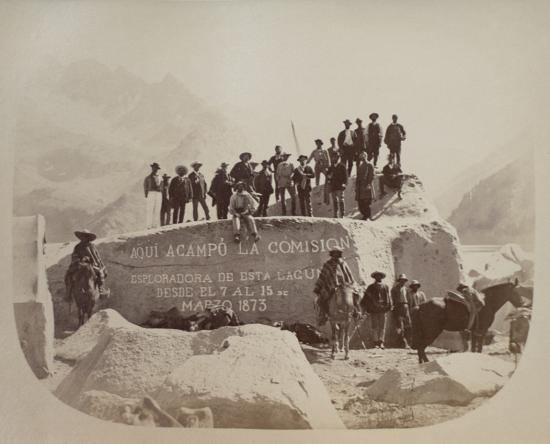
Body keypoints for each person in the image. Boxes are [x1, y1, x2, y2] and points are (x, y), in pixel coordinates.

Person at [313, 247, 357, 326]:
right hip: (331, 287)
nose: (335, 255)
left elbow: (349, 275)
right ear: (332, 254)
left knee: (356, 296)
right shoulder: (328, 264)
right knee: (320, 300)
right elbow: (323, 276)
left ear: (339, 254)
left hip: (345, 286)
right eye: (334, 253)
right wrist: (318, 287)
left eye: (337, 253)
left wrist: (351, 284)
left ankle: (356, 312)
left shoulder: (343, 263)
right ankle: (325, 315)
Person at [64, 230, 107, 301]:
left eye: (86, 236)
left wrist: (100, 265)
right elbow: (74, 256)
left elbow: (97, 257)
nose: (84, 238)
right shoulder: (77, 247)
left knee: (100, 273)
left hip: (91, 265)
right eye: (83, 236)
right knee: (68, 275)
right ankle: (68, 293)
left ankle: (101, 290)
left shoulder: (92, 246)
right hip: (79, 265)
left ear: (88, 237)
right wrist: (80, 260)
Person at [361, 271, 392, 349]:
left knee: (382, 326)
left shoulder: (385, 286)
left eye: (380, 276)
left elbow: (388, 297)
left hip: (382, 309)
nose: (378, 278)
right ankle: (375, 342)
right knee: (374, 326)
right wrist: (368, 307)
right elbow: (366, 298)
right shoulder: (370, 287)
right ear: (374, 278)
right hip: (374, 309)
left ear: (382, 277)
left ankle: (381, 342)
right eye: (377, 276)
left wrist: (389, 306)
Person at [391, 273, 412, 348]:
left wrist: (408, 307)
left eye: (404, 280)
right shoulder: (394, 289)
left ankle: (408, 341)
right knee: (400, 326)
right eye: (401, 280)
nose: (402, 282)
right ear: (399, 281)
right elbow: (393, 299)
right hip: (398, 306)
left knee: (408, 324)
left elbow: (409, 299)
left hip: (405, 306)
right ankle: (402, 342)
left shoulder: (406, 289)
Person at [355, 152, 375, 221]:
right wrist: (356, 186)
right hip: (360, 187)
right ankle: (364, 215)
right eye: (361, 156)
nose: (362, 157)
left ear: (366, 156)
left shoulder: (369, 165)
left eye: (363, 155)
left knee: (366, 202)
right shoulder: (360, 165)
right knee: (360, 203)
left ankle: (367, 216)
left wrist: (368, 184)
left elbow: (371, 175)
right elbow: (358, 177)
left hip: (366, 186)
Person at [327, 153, 348, 218]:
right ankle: (335, 215)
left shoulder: (342, 166)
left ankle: (342, 215)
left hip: (340, 186)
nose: (335, 158)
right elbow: (328, 176)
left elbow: (346, 177)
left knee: (341, 200)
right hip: (333, 186)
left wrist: (344, 184)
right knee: (334, 201)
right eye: (334, 157)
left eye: (337, 157)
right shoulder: (331, 167)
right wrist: (329, 177)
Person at [143, 162, 163, 229]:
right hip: (151, 193)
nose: (155, 169)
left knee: (157, 209)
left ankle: (155, 225)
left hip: (159, 194)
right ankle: (148, 225)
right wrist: (147, 194)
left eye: (157, 168)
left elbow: (162, 186)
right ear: (152, 168)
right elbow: (145, 186)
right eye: (154, 168)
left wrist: (161, 191)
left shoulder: (160, 178)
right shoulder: (148, 178)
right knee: (150, 209)